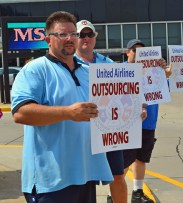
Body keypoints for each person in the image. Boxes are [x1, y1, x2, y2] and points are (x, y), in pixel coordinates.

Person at [11, 11, 113, 203]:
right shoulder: (35, 69)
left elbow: (108, 108)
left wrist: (131, 115)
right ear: (48, 39)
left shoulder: (88, 73)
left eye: (74, 34)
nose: (70, 38)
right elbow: (20, 113)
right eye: (62, 34)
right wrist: (67, 113)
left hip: (85, 173)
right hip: (51, 181)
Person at [74, 20, 128, 203]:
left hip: (108, 129)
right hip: (83, 130)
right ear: (75, 37)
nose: (86, 38)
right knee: (83, 181)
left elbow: (125, 93)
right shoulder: (68, 64)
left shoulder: (109, 63)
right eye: (82, 34)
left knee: (118, 176)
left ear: (95, 37)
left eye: (90, 34)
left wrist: (138, 110)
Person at [123, 39, 170, 203]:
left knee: (141, 159)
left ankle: (137, 192)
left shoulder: (153, 71)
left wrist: (165, 71)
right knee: (123, 163)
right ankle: (114, 194)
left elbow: (166, 88)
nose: (138, 54)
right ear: (127, 52)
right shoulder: (120, 71)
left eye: (142, 51)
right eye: (135, 50)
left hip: (148, 123)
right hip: (126, 124)